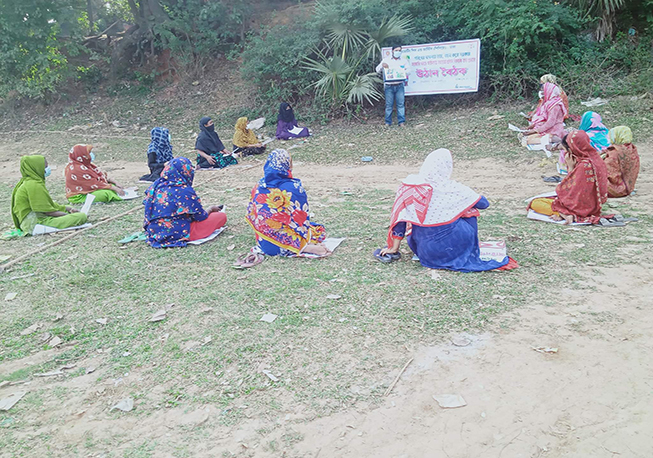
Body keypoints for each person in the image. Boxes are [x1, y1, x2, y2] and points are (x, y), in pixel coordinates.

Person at [376, 149, 517, 272]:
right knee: (469, 210)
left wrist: (393, 248)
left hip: (424, 251)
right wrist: (463, 200)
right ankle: (466, 251)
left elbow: (399, 221)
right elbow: (484, 204)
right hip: (449, 251)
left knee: (459, 210)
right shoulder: (452, 189)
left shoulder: (410, 185)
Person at [246, 149, 329, 256]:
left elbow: (252, 214)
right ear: (287, 166)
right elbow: (301, 219)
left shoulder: (259, 185)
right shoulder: (293, 187)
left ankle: (302, 247)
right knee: (319, 231)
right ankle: (305, 247)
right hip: (284, 241)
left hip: (264, 242)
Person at [143, 157, 226, 248]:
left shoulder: (154, 187)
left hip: (155, 232)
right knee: (220, 216)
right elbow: (200, 216)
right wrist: (210, 209)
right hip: (178, 232)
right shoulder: (184, 190)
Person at [529, 131, 608, 224]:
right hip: (595, 206)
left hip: (579, 208)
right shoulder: (596, 158)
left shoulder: (584, 166)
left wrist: (570, 168)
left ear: (572, 149)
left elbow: (569, 191)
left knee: (535, 203)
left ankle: (564, 214)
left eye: (566, 150)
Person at [11, 155, 87, 234]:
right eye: (45, 166)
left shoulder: (31, 182)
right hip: (35, 224)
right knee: (81, 217)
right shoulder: (34, 185)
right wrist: (67, 215)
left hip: (37, 218)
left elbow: (48, 205)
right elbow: (48, 211)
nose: (47, 169)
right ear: (37, 168)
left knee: (70, 209)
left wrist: (68, 209)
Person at [375, 45, 410, 127]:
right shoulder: (386, 60)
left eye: (400, 50)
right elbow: (377, 69)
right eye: (396, 50)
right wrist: (382, 66)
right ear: (392, 51)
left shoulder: (403, 61)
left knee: (400, 104)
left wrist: (402, 71)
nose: (398, 52)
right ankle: (388, 122)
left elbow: (409, 71)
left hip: (399, 85)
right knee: (389, 105)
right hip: (389, 86)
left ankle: (401, 122)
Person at [603, 126, 639, 198]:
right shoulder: (632, 149)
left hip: (615, 189)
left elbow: (605, 168)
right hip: (629, 187)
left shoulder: (615, 152)